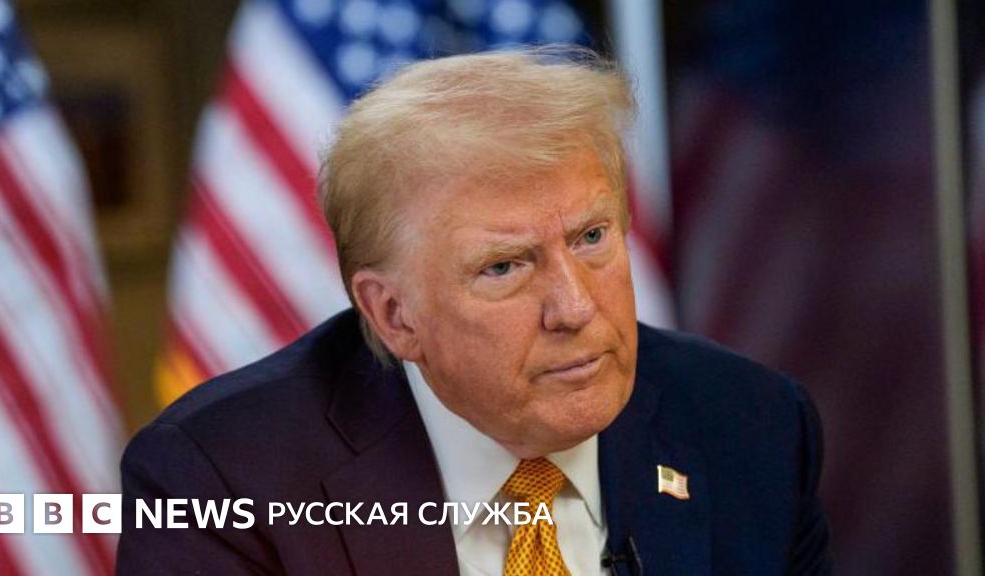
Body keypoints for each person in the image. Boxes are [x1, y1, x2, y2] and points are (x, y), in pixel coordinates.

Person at [117, 47, 832, 575]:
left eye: (591, 238)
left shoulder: (752, 427)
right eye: (504, 267)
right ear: (394, 315)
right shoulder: (222, 481)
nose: (575, 307)